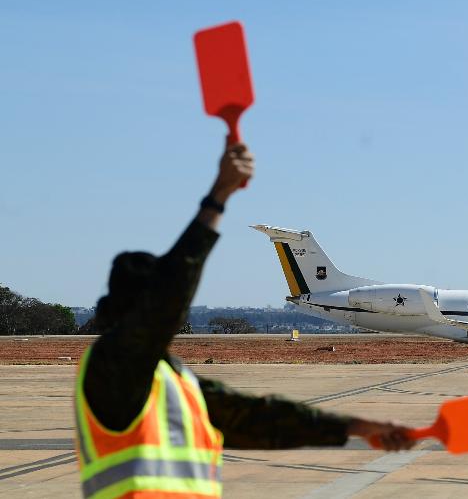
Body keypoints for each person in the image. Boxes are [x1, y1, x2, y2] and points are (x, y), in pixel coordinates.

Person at [74, 142, 413, 499]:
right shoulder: (113, 366)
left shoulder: (172, 382)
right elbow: (164, 302)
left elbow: (260, 419)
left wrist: (359, 427)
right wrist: (218, 196)